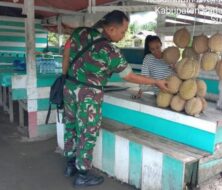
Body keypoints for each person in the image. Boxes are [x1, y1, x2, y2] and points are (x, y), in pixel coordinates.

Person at [62, 10, 169, 188]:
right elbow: (129, 76)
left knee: (71, 125)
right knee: (87, 132)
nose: (123, 35)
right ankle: (82, 174)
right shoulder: (110, 50)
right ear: (111, 29)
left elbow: (66, 55)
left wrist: (66, 77)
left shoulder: (80, 32)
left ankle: (70, 166)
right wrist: (156, 82)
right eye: (123, 31)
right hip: (89, 95)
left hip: (69, 87)